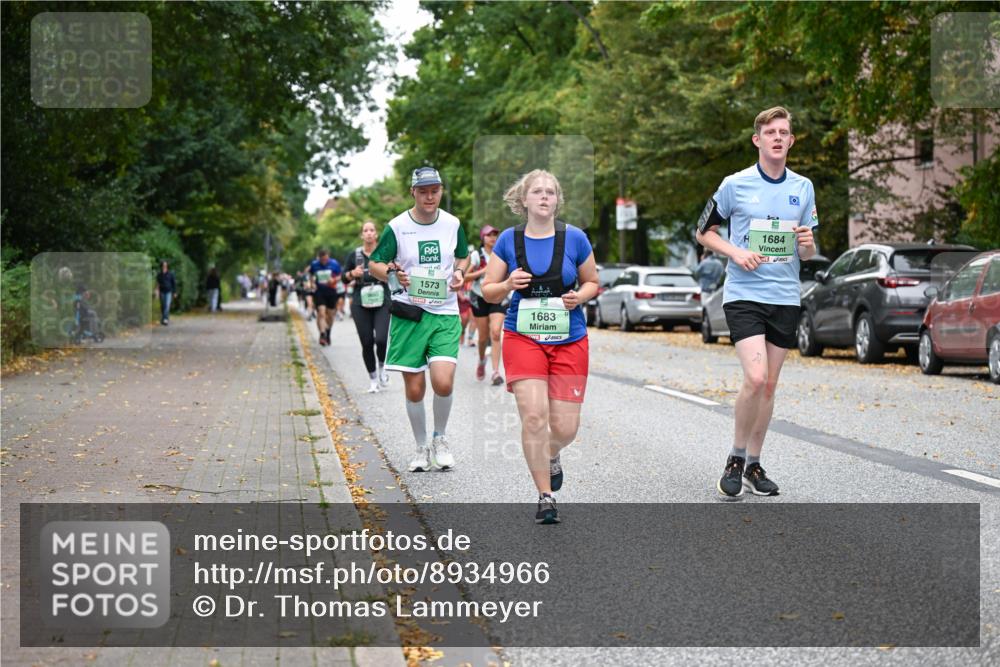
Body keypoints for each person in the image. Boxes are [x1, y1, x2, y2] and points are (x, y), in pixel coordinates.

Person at [695, 106, 818, 500]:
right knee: (756, 377)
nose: (778, 138)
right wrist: (735, 252)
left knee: (769, 387)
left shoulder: (804, 187)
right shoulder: (735, 184)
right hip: (745, 294)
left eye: (784, 132)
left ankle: (754, 463)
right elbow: (703, 232)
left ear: (791, 141)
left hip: (785, 296)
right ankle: (734, 457)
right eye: (771, 132)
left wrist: (808, 244)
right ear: (758, 140)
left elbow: (809, 249)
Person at [482, 169, 599, 525]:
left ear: (557, 200)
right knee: (534, 416)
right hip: (523, 336)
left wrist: (578, 296)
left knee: (565, 428)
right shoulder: (508, 241)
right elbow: (487, 289)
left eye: (551, 192)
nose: (545, 197)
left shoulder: (575, 237)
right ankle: (545, 496)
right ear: (525, 200)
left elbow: (593, 281)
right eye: (538, 192)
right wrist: (507, 285)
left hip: (569, 338)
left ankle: (550, 453)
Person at [368, 166, 470, 472]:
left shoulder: (452, 224)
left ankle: (440, 439)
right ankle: (421, 447)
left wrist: (459, 271)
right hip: (409, 313)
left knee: (443, 380)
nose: (429, 196)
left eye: (434, 190)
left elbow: (462, 255)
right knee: (414, 389)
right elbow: (374, 263)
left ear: (441, 191)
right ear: (413, 192)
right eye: (423, 191)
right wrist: (390, 272)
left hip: (444, 312)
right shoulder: (397, 226)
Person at [343, 221, 391, 393]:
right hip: (360, 302)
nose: (369, 233)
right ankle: (372, 380)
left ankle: (382, 366)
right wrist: (351, 274)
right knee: (367, 342)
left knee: (382, 339)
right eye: (366, 230)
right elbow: (343, 277)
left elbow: (394, 273)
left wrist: (390, 269)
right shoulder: (354, 256)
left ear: (376, 234)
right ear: (362, 235)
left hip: (382, 300)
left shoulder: (384, 253)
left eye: (372, 230)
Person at [466, 225, 509, 385]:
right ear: (482, 238)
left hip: (498, 296)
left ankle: (496, 372)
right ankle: (482, 359)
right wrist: (482, 272)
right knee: (483, 337)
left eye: (495, 235)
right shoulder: (477, 255)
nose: (492, 238)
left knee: (496, 332)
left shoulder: (503, 253)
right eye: (489, 235)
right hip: (480, 296)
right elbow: (464, 277)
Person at [306, 249, 342, 346]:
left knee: (330, 315)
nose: (324, 262)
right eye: (322, 260)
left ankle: (328, 332)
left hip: (331, 291)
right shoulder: (314, 264)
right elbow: (310, 275)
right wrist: (312, 283)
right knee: (321, 313)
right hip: (319, 292)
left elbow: (340, 276)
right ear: (319, 258)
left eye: (326, 259)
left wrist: (334, 280)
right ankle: (322, 334)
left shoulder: (334, 264)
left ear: (328, 256)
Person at [155, 260, 176, 325]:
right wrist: (157, 292)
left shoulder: (170, 274)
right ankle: (164, 318)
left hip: (169, 291)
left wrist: (174, 292)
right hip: (162, 292)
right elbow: (157, 284)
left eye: (165, 265)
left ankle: (165, 319)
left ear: (167, 266)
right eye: (163, 265)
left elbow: (174, 283)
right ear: (161, 266)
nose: (164, 266)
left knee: (167, 305)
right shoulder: (159, 274)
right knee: (163, 306)